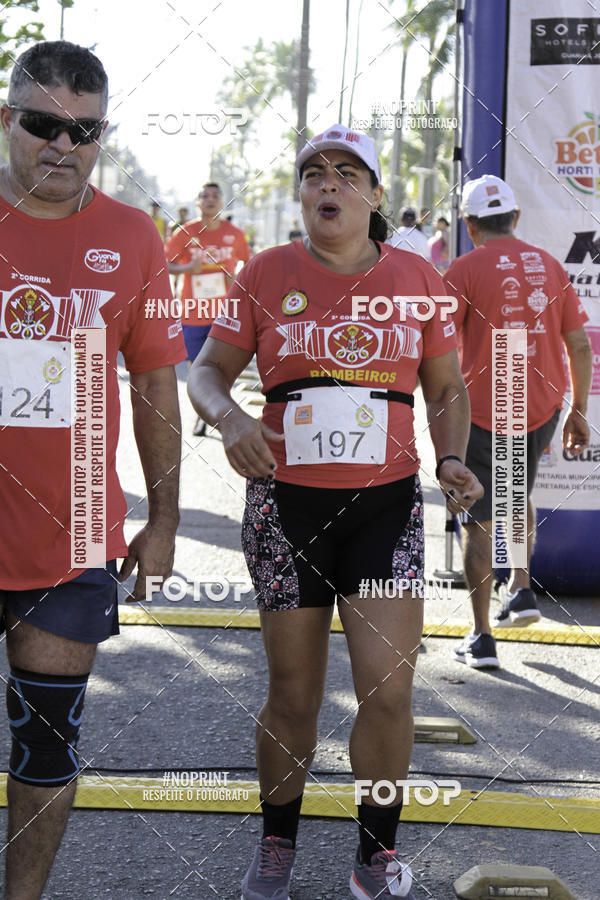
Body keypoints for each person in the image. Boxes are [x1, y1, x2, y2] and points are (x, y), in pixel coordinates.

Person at [188, 123, 482, 900]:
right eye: (315, 172)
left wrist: (452, 457)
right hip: (285, 509)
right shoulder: (263, 273)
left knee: (388, 690)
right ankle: (277, 840)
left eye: (349, 174)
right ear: (301, 192)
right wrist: (232, 418)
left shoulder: (419, 278)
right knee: (293, 693)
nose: (330, 185)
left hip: (384, 511)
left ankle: (375, 853)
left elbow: (446, 388)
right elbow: (207, 372)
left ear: (376, 195)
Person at [0, 40, 186, 897]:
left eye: (85, 130)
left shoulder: (130, 235)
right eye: (43, 124)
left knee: (46, 743)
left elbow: (155, 383)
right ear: (10, 122)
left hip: (72, 530)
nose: (63, 145)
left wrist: (167, 515)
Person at [444, 174, 591, 669]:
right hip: (541, 406)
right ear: (516, 217)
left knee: (479, 518)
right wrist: (578, 410)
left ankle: (482, 636)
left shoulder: (462, 269)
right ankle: (522, 588)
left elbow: (437, 348)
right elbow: (580, 344)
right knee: (515, 493)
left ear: (469, 223)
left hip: (484, 408)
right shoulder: (549, 265)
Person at [165, 181, 251, 435]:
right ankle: (203, 411)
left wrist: (236, 278)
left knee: (221, 367)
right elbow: (163, 264)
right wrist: (186, 269)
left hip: (224, 313)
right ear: (198, 202)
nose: (210, 199)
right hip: (193, 311)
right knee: (197, 368)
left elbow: (250, 264)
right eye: (205, 195)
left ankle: (214, 413)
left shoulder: (234, 234)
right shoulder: (184, 232)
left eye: (215, 195)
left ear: (222, 202)